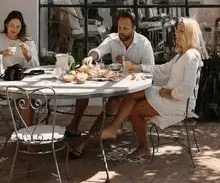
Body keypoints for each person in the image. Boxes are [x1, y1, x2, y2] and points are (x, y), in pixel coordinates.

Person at [100, 17, 206, 158]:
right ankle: (113, 128)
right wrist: (137, 67)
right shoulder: (182, 55)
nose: (176, 34)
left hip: (179, 102)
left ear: (190, 34)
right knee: (134, 93)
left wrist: (171, 93)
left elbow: (187, 87)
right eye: (177, 30)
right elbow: (163, 69)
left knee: (136, 111)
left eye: (181, 31)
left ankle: (143, 147)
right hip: (168, 95)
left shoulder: (191, 56)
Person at [66, 10, 154, 156]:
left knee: (112, 103)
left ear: (134, 28)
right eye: (119, 28)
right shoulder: (113, 39)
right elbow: (98, 50)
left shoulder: (144, 43)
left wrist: (131, 65)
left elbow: (151, 70)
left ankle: (85, 142)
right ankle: (75, 126)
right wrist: (91, 57)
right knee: (84, 89)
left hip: (137, 89)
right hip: (117, 85)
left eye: (125, 28)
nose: (121, 32)